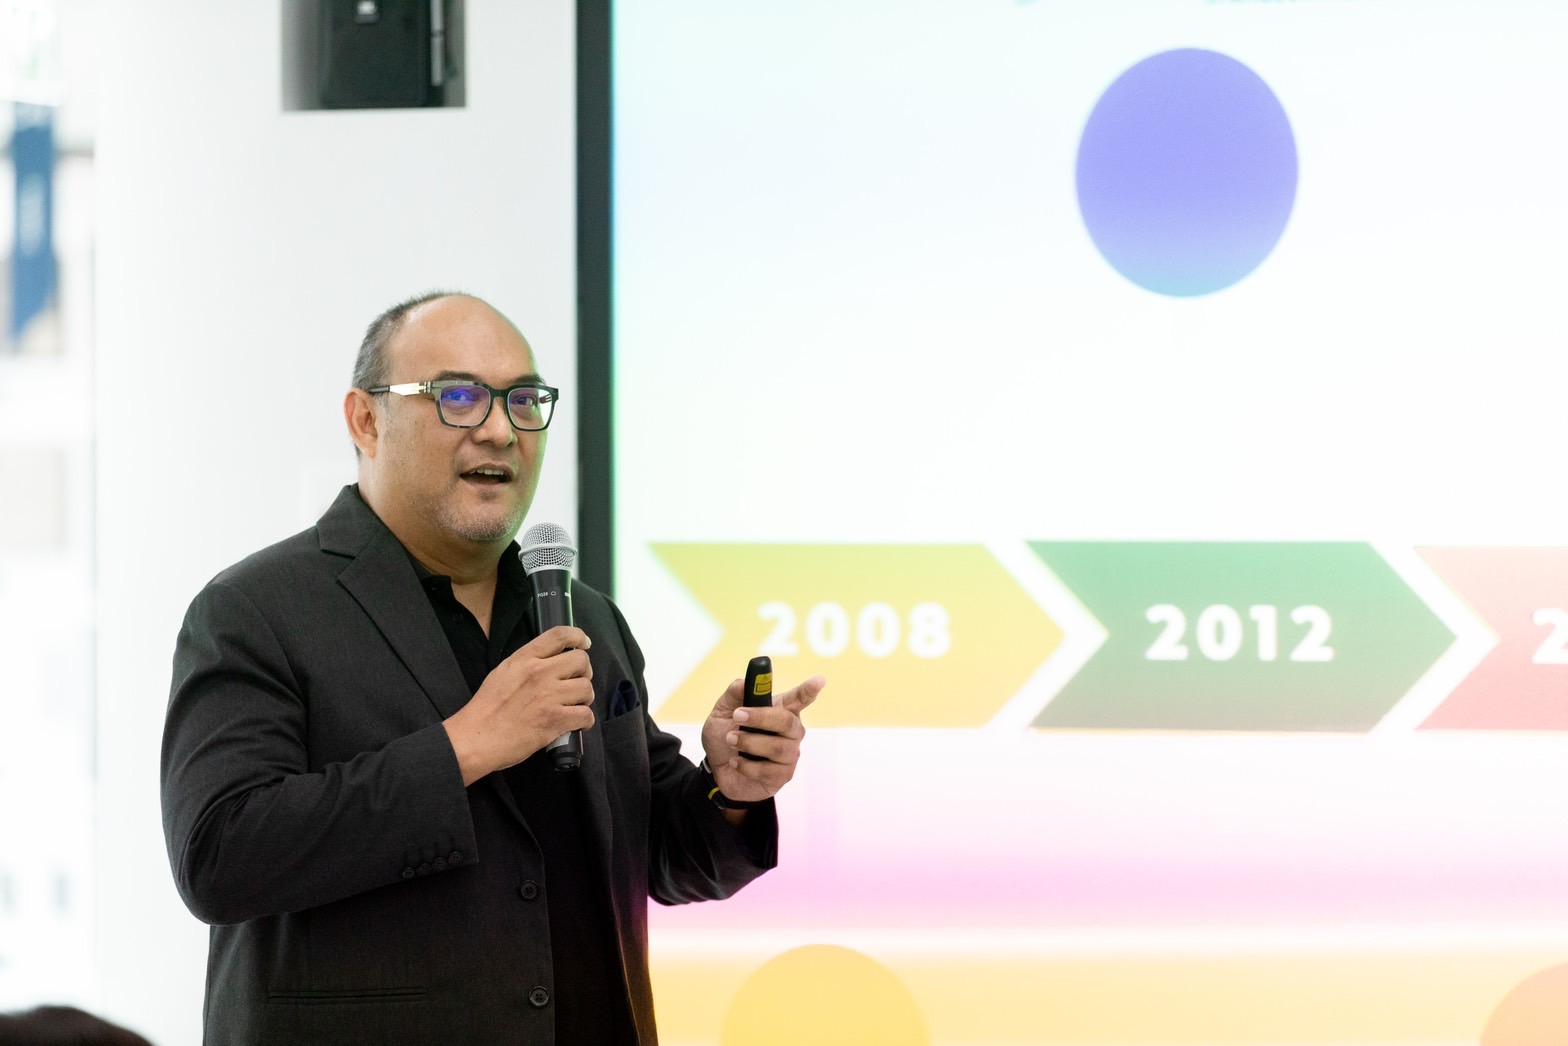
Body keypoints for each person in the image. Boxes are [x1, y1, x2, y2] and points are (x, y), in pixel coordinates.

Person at [160, 291, 822, 1045]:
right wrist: (466, 746)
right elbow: (219, 857)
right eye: (459, 397)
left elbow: (662, 858)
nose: (501, 430)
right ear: (366, 420)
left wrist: (730, 791)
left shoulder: (585, 617)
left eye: (523, 401)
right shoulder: (256, 610)